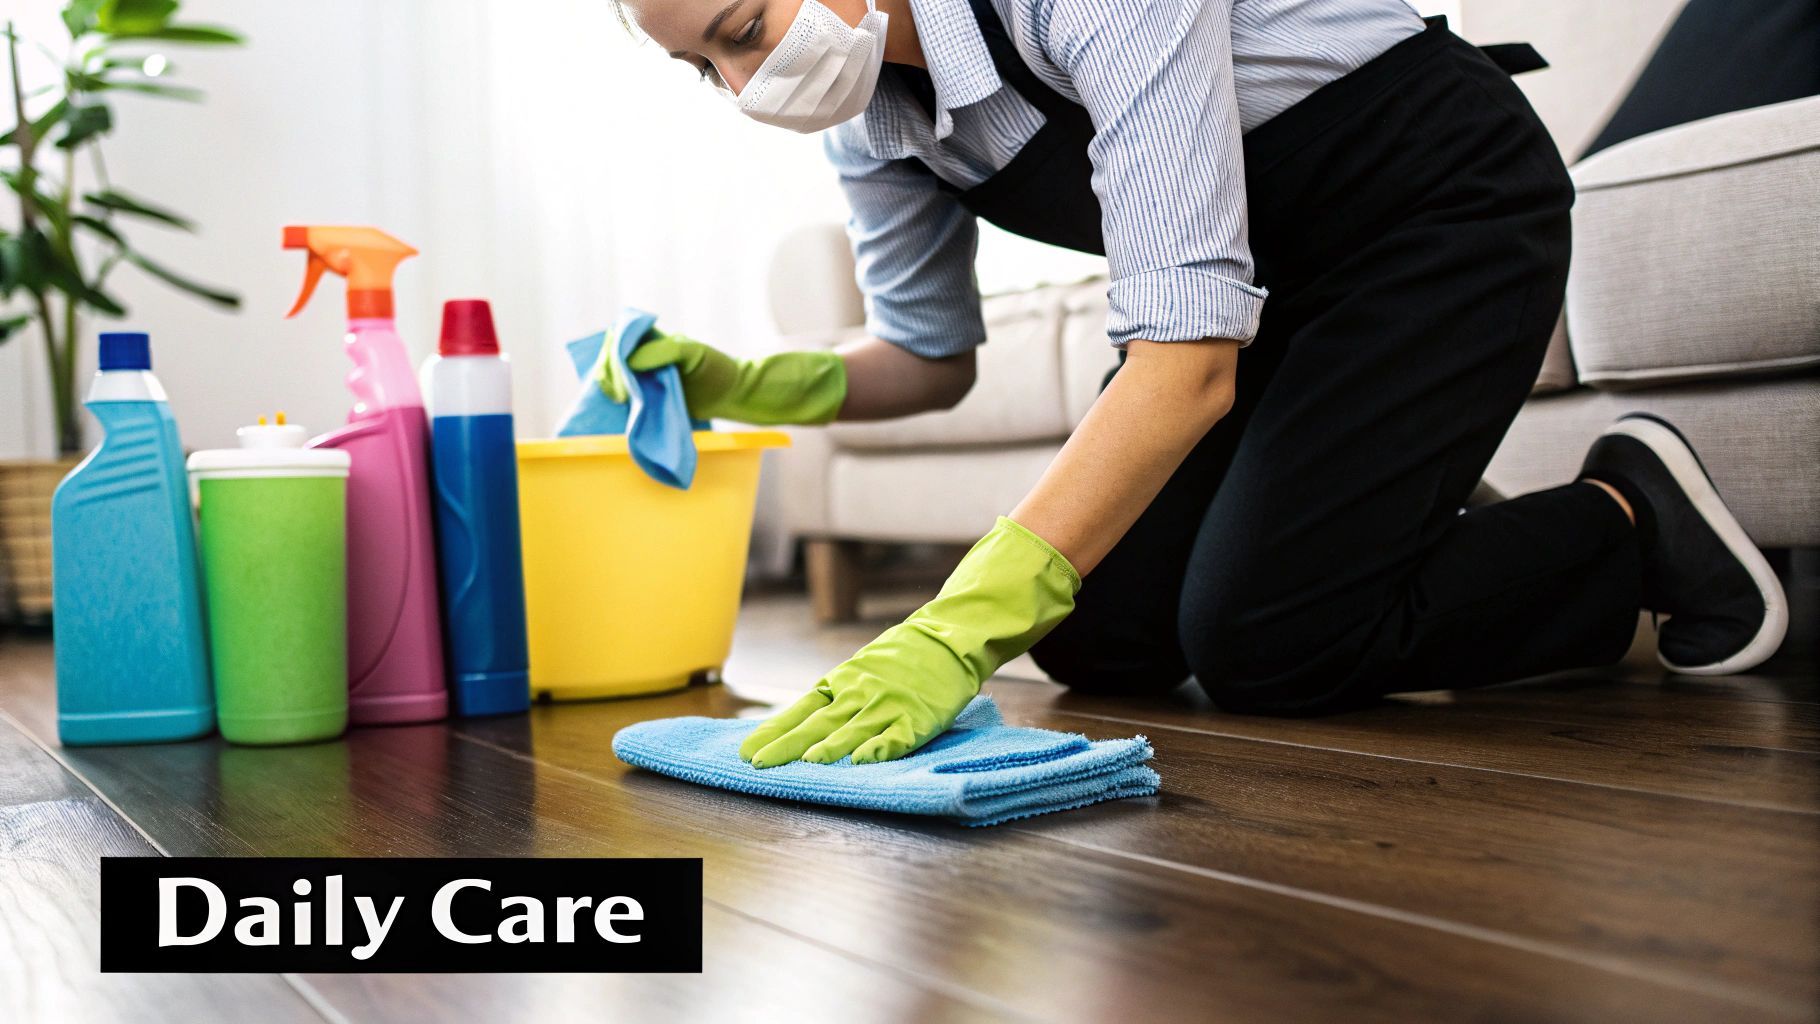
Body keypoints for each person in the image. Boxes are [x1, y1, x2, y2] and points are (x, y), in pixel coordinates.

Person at [604, 0, 1790, 768]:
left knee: (1268, 645)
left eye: (743, 26)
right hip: (1261, 293)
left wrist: (955, 624)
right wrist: (742, 380)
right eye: (704, 68)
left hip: (1435, 218)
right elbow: (927, 359)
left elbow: (1181, 364)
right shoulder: (874, 126)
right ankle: (1389, 511)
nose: (746, 83)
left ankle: (1628, 522)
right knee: (1097, 635)